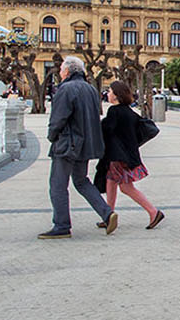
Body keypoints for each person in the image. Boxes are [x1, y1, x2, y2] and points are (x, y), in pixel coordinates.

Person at [40, 54, 116, 239]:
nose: (60, 72)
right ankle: (107, 212)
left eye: (61, 70)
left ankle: (62, 225)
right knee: (81, 181)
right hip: (85, 144)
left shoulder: (65, 89)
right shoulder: (90, 89)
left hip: (67, 144)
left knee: (57, 185)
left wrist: (52, 136)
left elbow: (58, 119)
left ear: (67, 70)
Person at [96, 80, 164, 230]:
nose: (108, 94)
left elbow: (106, 129)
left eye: (110, 91)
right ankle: (108, 215)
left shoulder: (114, 111)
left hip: (118, 156)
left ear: (116, 95)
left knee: (126, 187)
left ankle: (153, 211)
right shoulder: (129, 111)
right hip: (126, 155)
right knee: (111, 183)